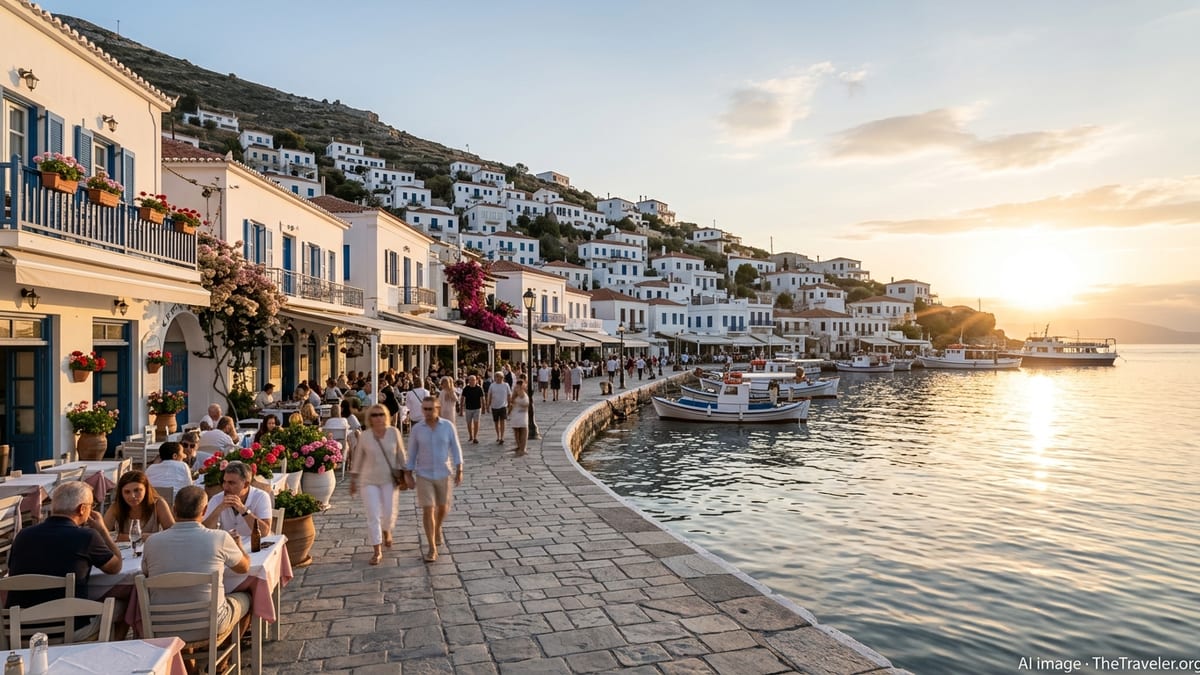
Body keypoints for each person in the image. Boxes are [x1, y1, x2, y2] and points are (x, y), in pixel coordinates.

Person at [141, 486, 251, 643]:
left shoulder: (152, 542)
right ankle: (224, 652)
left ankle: (192, 656)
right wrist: (239, 546)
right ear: (204, 510)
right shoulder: (219, 538)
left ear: (174, 509)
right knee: (247, 597)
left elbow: (146, 573)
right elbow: (244, 568)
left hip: (162, 627)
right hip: (209, 625)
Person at [7, 481, 122, 610]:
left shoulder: (23, 535)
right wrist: (103, 530)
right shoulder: (87, 537)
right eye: (91, 506)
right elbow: (115, 567)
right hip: (67, 619)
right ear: (82, 509)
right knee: (119, 606)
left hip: (20, 619)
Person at [405, 396, 463, 563]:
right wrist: (408, 473)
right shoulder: (417, 429)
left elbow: (456, 448)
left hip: (444, 473)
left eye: (430, 409)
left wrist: (459, 468)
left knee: (443, 507)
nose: (427, 412)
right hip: (424, 474)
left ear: (438, 409)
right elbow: (412, 452)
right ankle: (431, 547)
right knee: (428, 509)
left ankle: (437, 528)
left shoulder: (447, 426)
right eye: (425, 409)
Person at [350, 404, 406, 566]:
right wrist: (353, 480)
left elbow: (401, 454)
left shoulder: (394, 432)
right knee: (373, 515)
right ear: (370, 418)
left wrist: (407, 473)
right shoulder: (365, 436)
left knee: (389, 512)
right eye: (374, 415)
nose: (378, 418)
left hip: (389, 479)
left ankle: (387, 529)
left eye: (381, 414)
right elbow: (358, 458)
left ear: (386, 415)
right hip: (369, 481)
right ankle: (377, 550)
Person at [202, 461, 271, 540]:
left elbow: (264, 532)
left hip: (255, 544)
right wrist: (218, 509)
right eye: (224, 482)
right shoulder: (217, 499)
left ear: (246, 484)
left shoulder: (261, 496)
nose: (225, 487)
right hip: (228, 545)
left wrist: (243, 510)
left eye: (231, 483)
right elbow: (205, 531)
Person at [103, 470, 175, 540]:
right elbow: (102, 533)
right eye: (127, 492)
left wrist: (131, 537)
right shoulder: (116, 506)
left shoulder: (158, 504)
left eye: (137, 490)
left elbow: (172, 533)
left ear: (146, 489)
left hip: (151, 547)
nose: (132, 496)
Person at [485, 371, 512, 444]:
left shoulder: (506, 385)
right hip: (494, 406)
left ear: (502, 378)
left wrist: (509, 404)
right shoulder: (492, 385)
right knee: (496, 422)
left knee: (502, 421)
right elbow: (489, 395)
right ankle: (498, 435)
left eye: (499, 377)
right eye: (496, 377)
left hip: (503, 406)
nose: (497, 378)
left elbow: (509, 395)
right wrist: (488, 405)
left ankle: (502, 437)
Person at [508, 380, 531, 456]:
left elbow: (526, 404)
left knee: (523, 430)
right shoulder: (515, 394)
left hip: (522, 415)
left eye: (518, 386)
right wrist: (509, 411)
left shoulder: (524, 394)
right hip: (515, 414)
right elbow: (511, 402)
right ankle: (519, 446)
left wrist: (517, 402)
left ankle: (523, 448)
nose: (516, 388)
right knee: (516, 431)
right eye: (516, 386)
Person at [461, 375, 484, 445]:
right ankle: (470, 435)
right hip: (468, 408)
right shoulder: (466, 388)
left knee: (476, 422)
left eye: (473, 380)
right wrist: (461, 409)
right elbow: (462, 398)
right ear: (468, 381)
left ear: (476, 380)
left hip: (477, 408)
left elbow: (482, 398)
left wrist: (484, 407)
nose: (472, 381)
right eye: (470, 380)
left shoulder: (479, 388)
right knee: (469, 423)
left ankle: (475, 437)